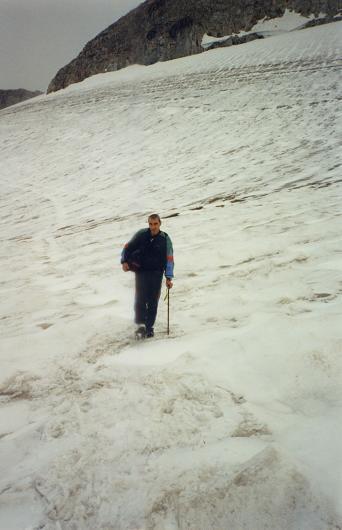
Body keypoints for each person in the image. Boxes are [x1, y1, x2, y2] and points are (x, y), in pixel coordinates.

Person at [121, 214, 174, 338]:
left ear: (160, 224)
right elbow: (127, 247)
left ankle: (149, 327)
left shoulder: (165, 238)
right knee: (140, 298)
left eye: (155, 224)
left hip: (157, 273)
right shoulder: (142, 234)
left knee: (152, 301)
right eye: (150, 224)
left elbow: (169, 259)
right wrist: (124, 261)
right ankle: (141, 325)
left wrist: (169, 277)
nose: (153, 227)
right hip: (142, 271)